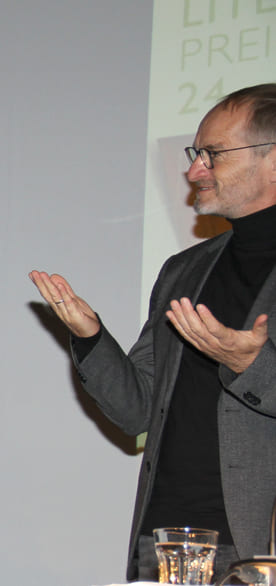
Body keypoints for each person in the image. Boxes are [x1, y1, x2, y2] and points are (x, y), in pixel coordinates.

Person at [30, 83, 276, 581]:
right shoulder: (185, 270)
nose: (193, 170)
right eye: (195, 154)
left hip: (256, 545)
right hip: (166, 539)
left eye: (212, 154)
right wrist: (91, 337)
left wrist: (254, 365)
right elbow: (136, 409)